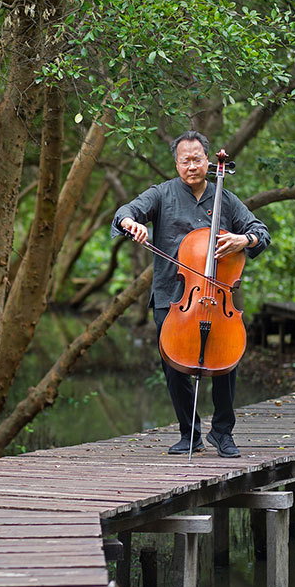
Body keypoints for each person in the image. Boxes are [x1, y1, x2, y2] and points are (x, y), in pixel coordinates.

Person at [112, 130, 270, 457]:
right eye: (185, 161)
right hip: (173, 297)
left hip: (217, 298)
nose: (192, 166)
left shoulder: (223, 197)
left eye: (197, 159)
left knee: (226, 364)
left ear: (208, 161)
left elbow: (261, 231)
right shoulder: (162, 194)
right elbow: (125, 211)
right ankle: (190, 433)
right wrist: (132, 223)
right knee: (175, 367)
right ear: (176, 163)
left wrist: (245, 241)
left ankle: (222, 433)